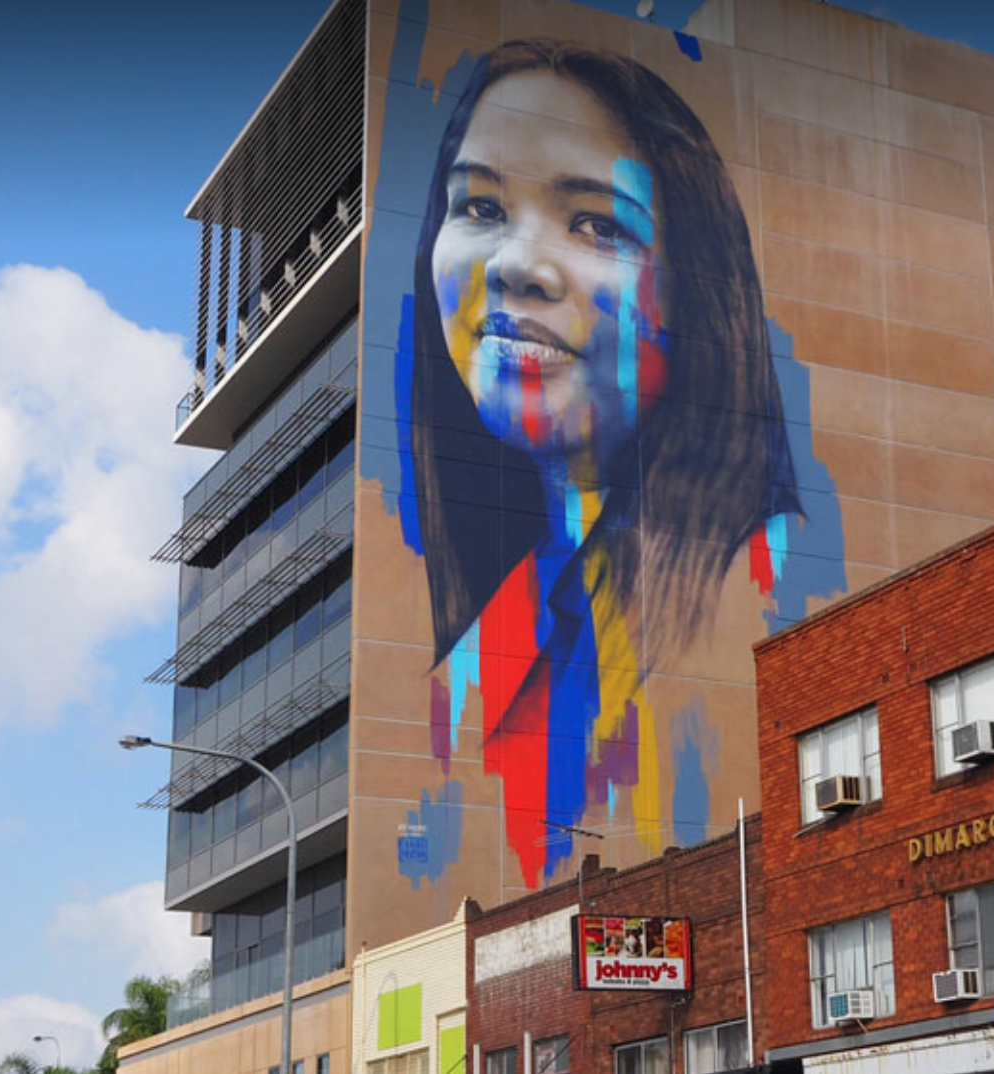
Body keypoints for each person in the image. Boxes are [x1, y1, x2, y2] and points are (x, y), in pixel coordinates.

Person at [401, 39, 801, 888]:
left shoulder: (769, 587)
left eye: (595, 224)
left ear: (697, 285)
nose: (516, 265)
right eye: (478, 207)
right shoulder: (488, 637)